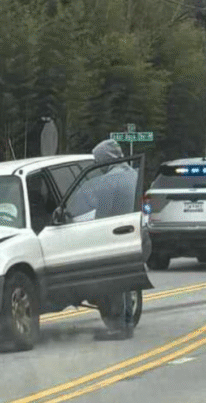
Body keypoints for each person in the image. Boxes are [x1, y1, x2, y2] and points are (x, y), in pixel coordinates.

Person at [66, 139, 141, 341]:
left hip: (113, 236)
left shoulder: (110, 180)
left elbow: (103, 215)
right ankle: (126, 324)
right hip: (131, 234)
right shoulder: (132, 174)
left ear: (105, 159)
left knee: (113, 284)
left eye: (98, 160)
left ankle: (118, 327)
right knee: (125, 283)